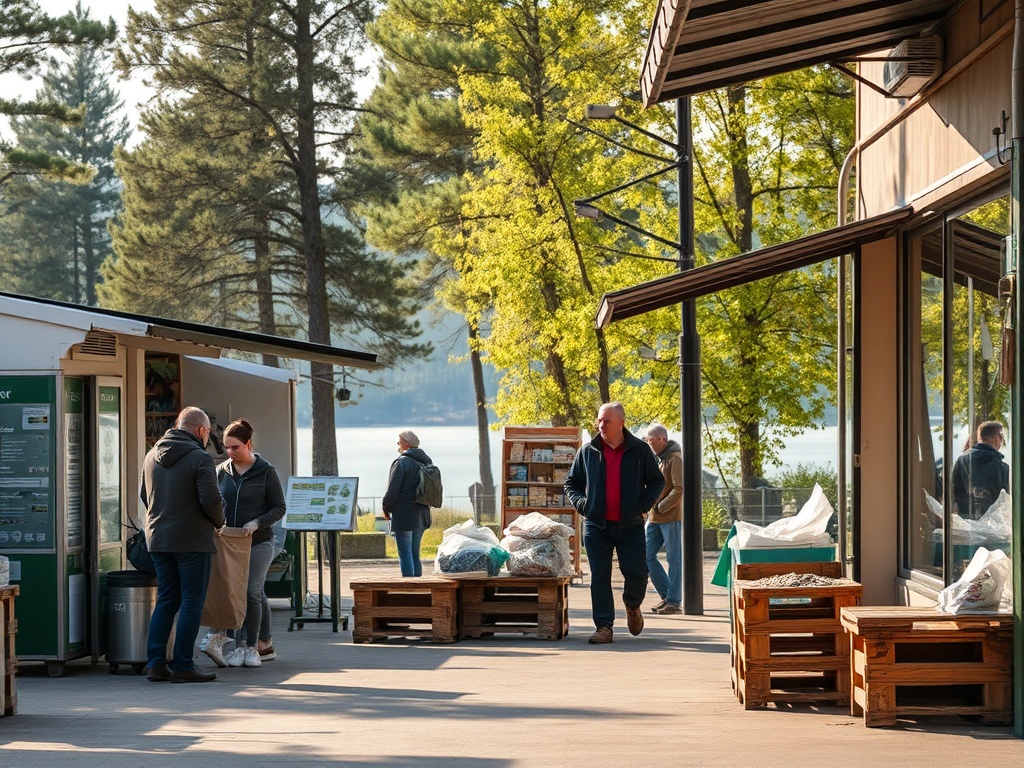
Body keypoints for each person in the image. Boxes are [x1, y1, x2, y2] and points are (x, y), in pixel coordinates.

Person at [564, 402, 664, 644]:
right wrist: (584, 505)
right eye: (599, 420)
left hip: (630, 525)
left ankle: (632, 605)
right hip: (597, 526)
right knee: (599, 576)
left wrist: (642, 505)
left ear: (621, 423)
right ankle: (604, 627)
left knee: (638, 573)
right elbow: (571, 484)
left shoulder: (640, 450)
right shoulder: (587, 451)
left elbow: (656, 482)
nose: (601, 425)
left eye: (606, 421)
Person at [142, 406, 225, 683]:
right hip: (192, 539)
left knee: (167, 599)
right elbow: (211, 500)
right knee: (191, 600)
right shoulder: (200, 458)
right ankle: (183, 665)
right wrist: (218, 521)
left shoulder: (151, 455)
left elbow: (145, 495)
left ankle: (155, 663)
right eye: (207, 433)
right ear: (201, 431)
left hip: (159, 539)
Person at [202, 419, 286, 669]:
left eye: (235, 447)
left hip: (259, 541)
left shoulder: (266, 471)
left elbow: (279, 507)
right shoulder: (222, 471)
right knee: (241, 591)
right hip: (229, 543)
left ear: (249, 444)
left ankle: (249, 646)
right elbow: (213, 503)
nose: (230, 453)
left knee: (250, 590)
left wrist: (258, 522)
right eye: (226, 448)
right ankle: (260, 642)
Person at [643, 423, 682, 615]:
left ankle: (674, 601)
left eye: (652, 441)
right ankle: (667, 596)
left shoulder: (674, 459)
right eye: (648, 441)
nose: (650, 444)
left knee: (673, 559)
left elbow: (679, 489)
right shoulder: (661, 459)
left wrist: (660, 506)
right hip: (654, 517)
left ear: (662, 440)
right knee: (646, 556)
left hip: (670, 517)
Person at [381, 430, 433, 577]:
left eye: (399, 442)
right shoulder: (427, 461)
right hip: (422, 513)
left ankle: (409, 588)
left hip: (404, 515)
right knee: (415, 554)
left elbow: (392, 491)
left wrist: (386, 507)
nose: (398, 445)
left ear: (405, 443)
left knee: (405, 554)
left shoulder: (402, 462)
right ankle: (419, 587)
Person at [951, 420, 1010, 520]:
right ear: (996, 438)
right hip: (993, 523)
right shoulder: (1001, 466)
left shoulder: (961, 460)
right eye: (1002, 438)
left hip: (966, 519)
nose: (1001, 443)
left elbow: (954, 489)